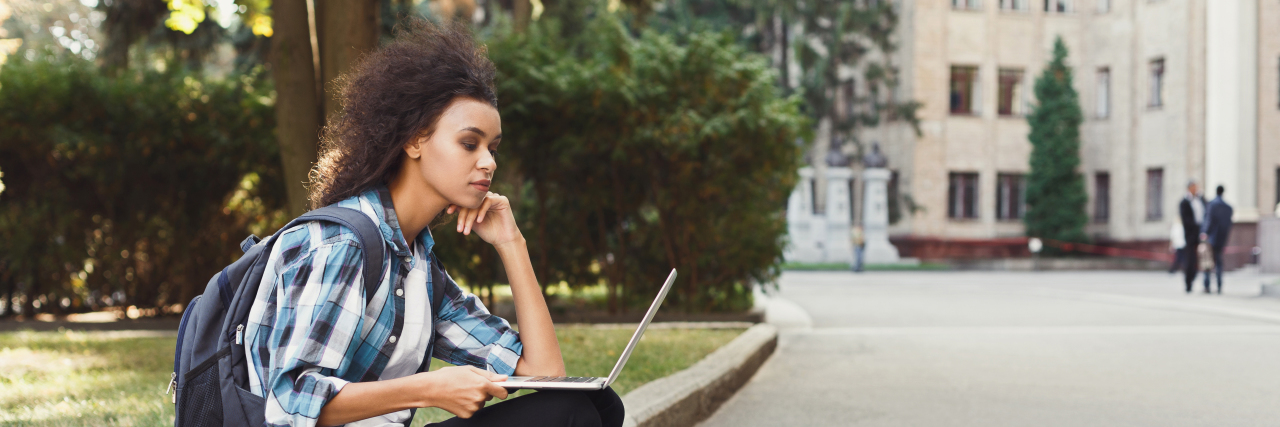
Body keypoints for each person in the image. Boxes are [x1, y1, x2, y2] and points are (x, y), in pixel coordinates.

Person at [243, 20, 623, 427]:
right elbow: (288, 404)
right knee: (572, 412)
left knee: (594, 403)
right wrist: (428, 388)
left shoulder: (418, 266)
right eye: (469, 143)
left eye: (492, 149)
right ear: (414, 140)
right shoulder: (341, 244)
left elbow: (548, 376)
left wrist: (512, 243)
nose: (488, 162)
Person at [1200, 185, 1234, 294]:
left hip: (1211, 237)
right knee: (1218, 261)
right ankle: (1219, 285)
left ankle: (1207, 286)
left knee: (1207, 262)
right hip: (1222, 238)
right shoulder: (1228, 207)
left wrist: (1205, 233)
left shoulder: (1212, 205)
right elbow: (1229, 224)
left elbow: (1209, 220)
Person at [1178, 180, 1205, 293]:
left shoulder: (1201, 199)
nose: (1196, 189)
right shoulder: (1184, 202)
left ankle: (1204, 283)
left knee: (1202, 259)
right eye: (1194, 187)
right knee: (1190, 259)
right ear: (1189, 188)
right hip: (1191, 234)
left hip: (1202, 233)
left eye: (1197, 187)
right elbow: (1186, 220)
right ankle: (1188, 283)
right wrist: (1195, 229)